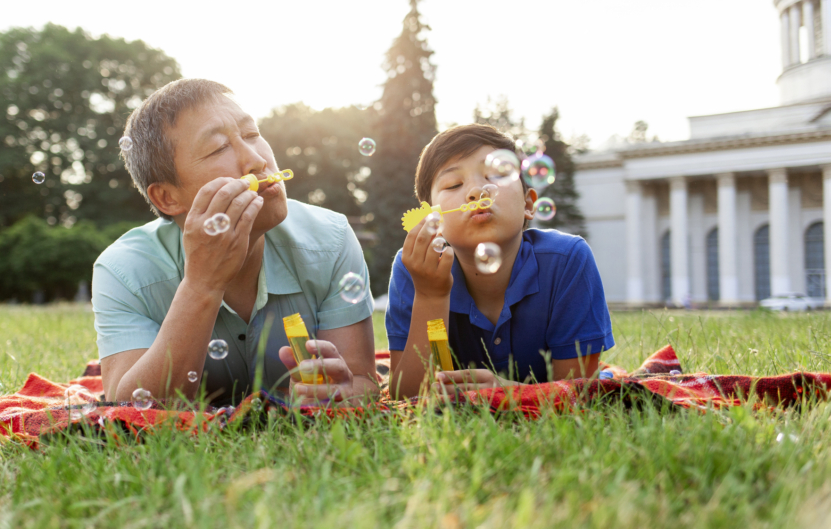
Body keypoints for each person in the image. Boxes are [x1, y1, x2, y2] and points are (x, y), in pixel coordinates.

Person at [92, 79, 378, 407]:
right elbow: (129, 407)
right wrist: (202, 284)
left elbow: (363, 382)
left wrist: (342, 391)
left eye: (252, 134)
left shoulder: (331, 239)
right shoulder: (124, 270)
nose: (256, 160)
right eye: (218, 148)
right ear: (167, 197)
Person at [385, 124, 614, 399]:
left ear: (529, 204)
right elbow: (406, 397)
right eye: (453, 184)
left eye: (496, 175)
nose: (476, 192)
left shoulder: (567, 260)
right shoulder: (415, 267)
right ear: (431, 219)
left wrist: (510, 393)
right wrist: (430, 295)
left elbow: (580, 392)